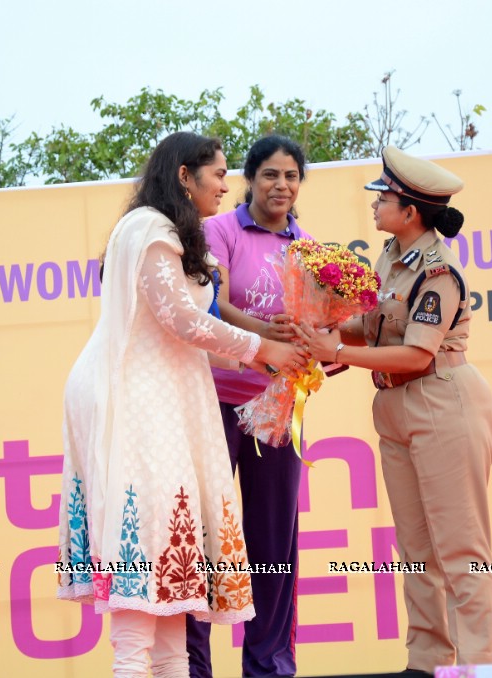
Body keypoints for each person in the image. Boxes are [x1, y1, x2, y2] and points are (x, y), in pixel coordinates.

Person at [57, 132, 309, 678]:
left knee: (174, 577)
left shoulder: (166, 230)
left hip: (164, 401)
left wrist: (280, 353)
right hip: (137, 402)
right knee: (146, 549)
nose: (225, 183)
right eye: (217, 173)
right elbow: (182, 319)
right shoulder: (150, 228)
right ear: (183, 176)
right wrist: (264, 350)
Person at [293, 146, 492, 678]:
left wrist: (334, 352)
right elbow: (379, 326)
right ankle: (428, 662)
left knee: (461, 550)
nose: (376, 204)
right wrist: (325, 330)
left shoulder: (439, 270)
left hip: (441, 400)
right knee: (416, 548)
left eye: (383, 197)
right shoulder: (389, 256)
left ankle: (479, 667)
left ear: (410, 211)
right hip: (396, 406)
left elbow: (417, 352)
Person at [186, 135, 310, 678]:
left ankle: (270, 663)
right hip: (214, 400)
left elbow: (313, 321)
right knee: (206, 535)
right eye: (269, 175)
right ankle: (192, 665)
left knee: (274, 539)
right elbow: (214, 305)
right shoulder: (220, 230)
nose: (281, 186)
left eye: (291, 177)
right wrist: (268, 335)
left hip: (277, 405)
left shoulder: (307, 247)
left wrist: (313, 340)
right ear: (249, 179)